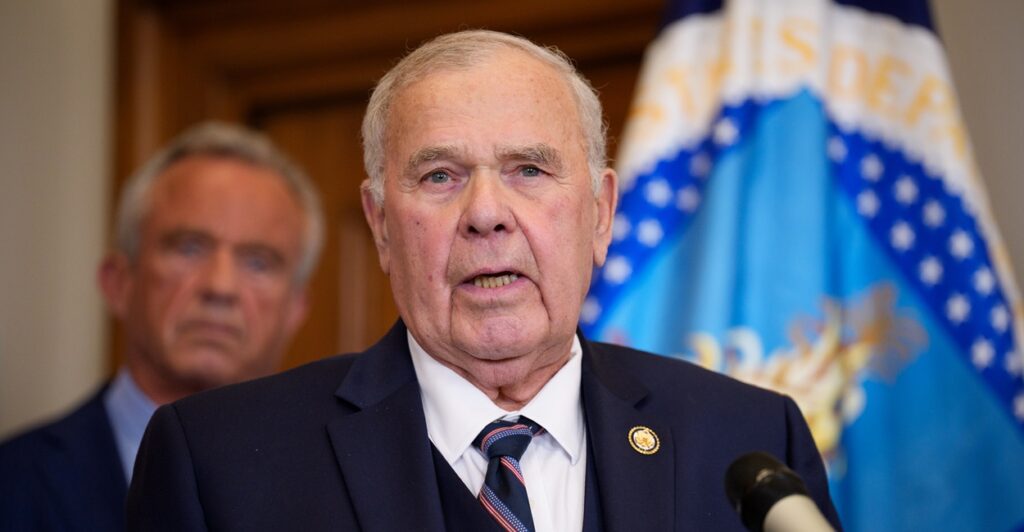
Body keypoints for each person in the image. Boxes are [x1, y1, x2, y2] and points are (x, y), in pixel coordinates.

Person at [126, 30, 842, 531]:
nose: (487, 214)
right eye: (441, 176)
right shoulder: (217, 461)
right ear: (380, 225)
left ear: (600, 215)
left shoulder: (749, 443)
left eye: (529, 169)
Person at [0, 122, 324, 531]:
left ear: (296, 308)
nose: (220, 287)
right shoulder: (12, 484)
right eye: (189, 248)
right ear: (118, 283)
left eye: (258, 262)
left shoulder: (334, 494)